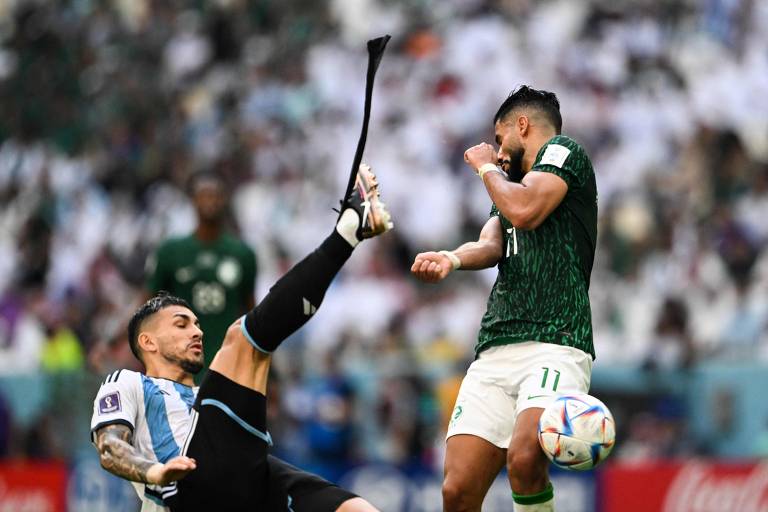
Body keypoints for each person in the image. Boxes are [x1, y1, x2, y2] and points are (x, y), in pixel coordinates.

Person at [90, 165, 392, 512]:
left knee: (358, 510)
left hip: (242, 471)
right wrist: (155, 472)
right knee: (242, 337)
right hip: (189, 484)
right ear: (148, 342)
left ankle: (350, 231)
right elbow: (110, 446)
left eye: (196, 324)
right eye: (181, 324)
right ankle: (348, 232)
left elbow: (257, 318)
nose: (198, 331)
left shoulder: (240, 254)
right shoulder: (128, 383)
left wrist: (272, 380)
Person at [411, 86, 597, 512]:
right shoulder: (510, 186)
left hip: (555, 340)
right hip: (495, 346)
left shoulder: (564, 153)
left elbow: (525, 211)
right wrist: (450, 258)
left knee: (526, 459)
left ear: (522, 126)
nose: (496, 151)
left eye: (499, 139)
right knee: (456, 490)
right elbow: (490, 244)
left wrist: (483, 169)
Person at [146, 171, 257, 375]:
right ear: (192, 200)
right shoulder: (171, 252)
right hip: (179, 365)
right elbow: (147, 307)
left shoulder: (242, 254)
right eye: (204, 194)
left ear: (224, 200)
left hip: (227, 365)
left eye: (215, 194)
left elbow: (252, 314)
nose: (210, 201)